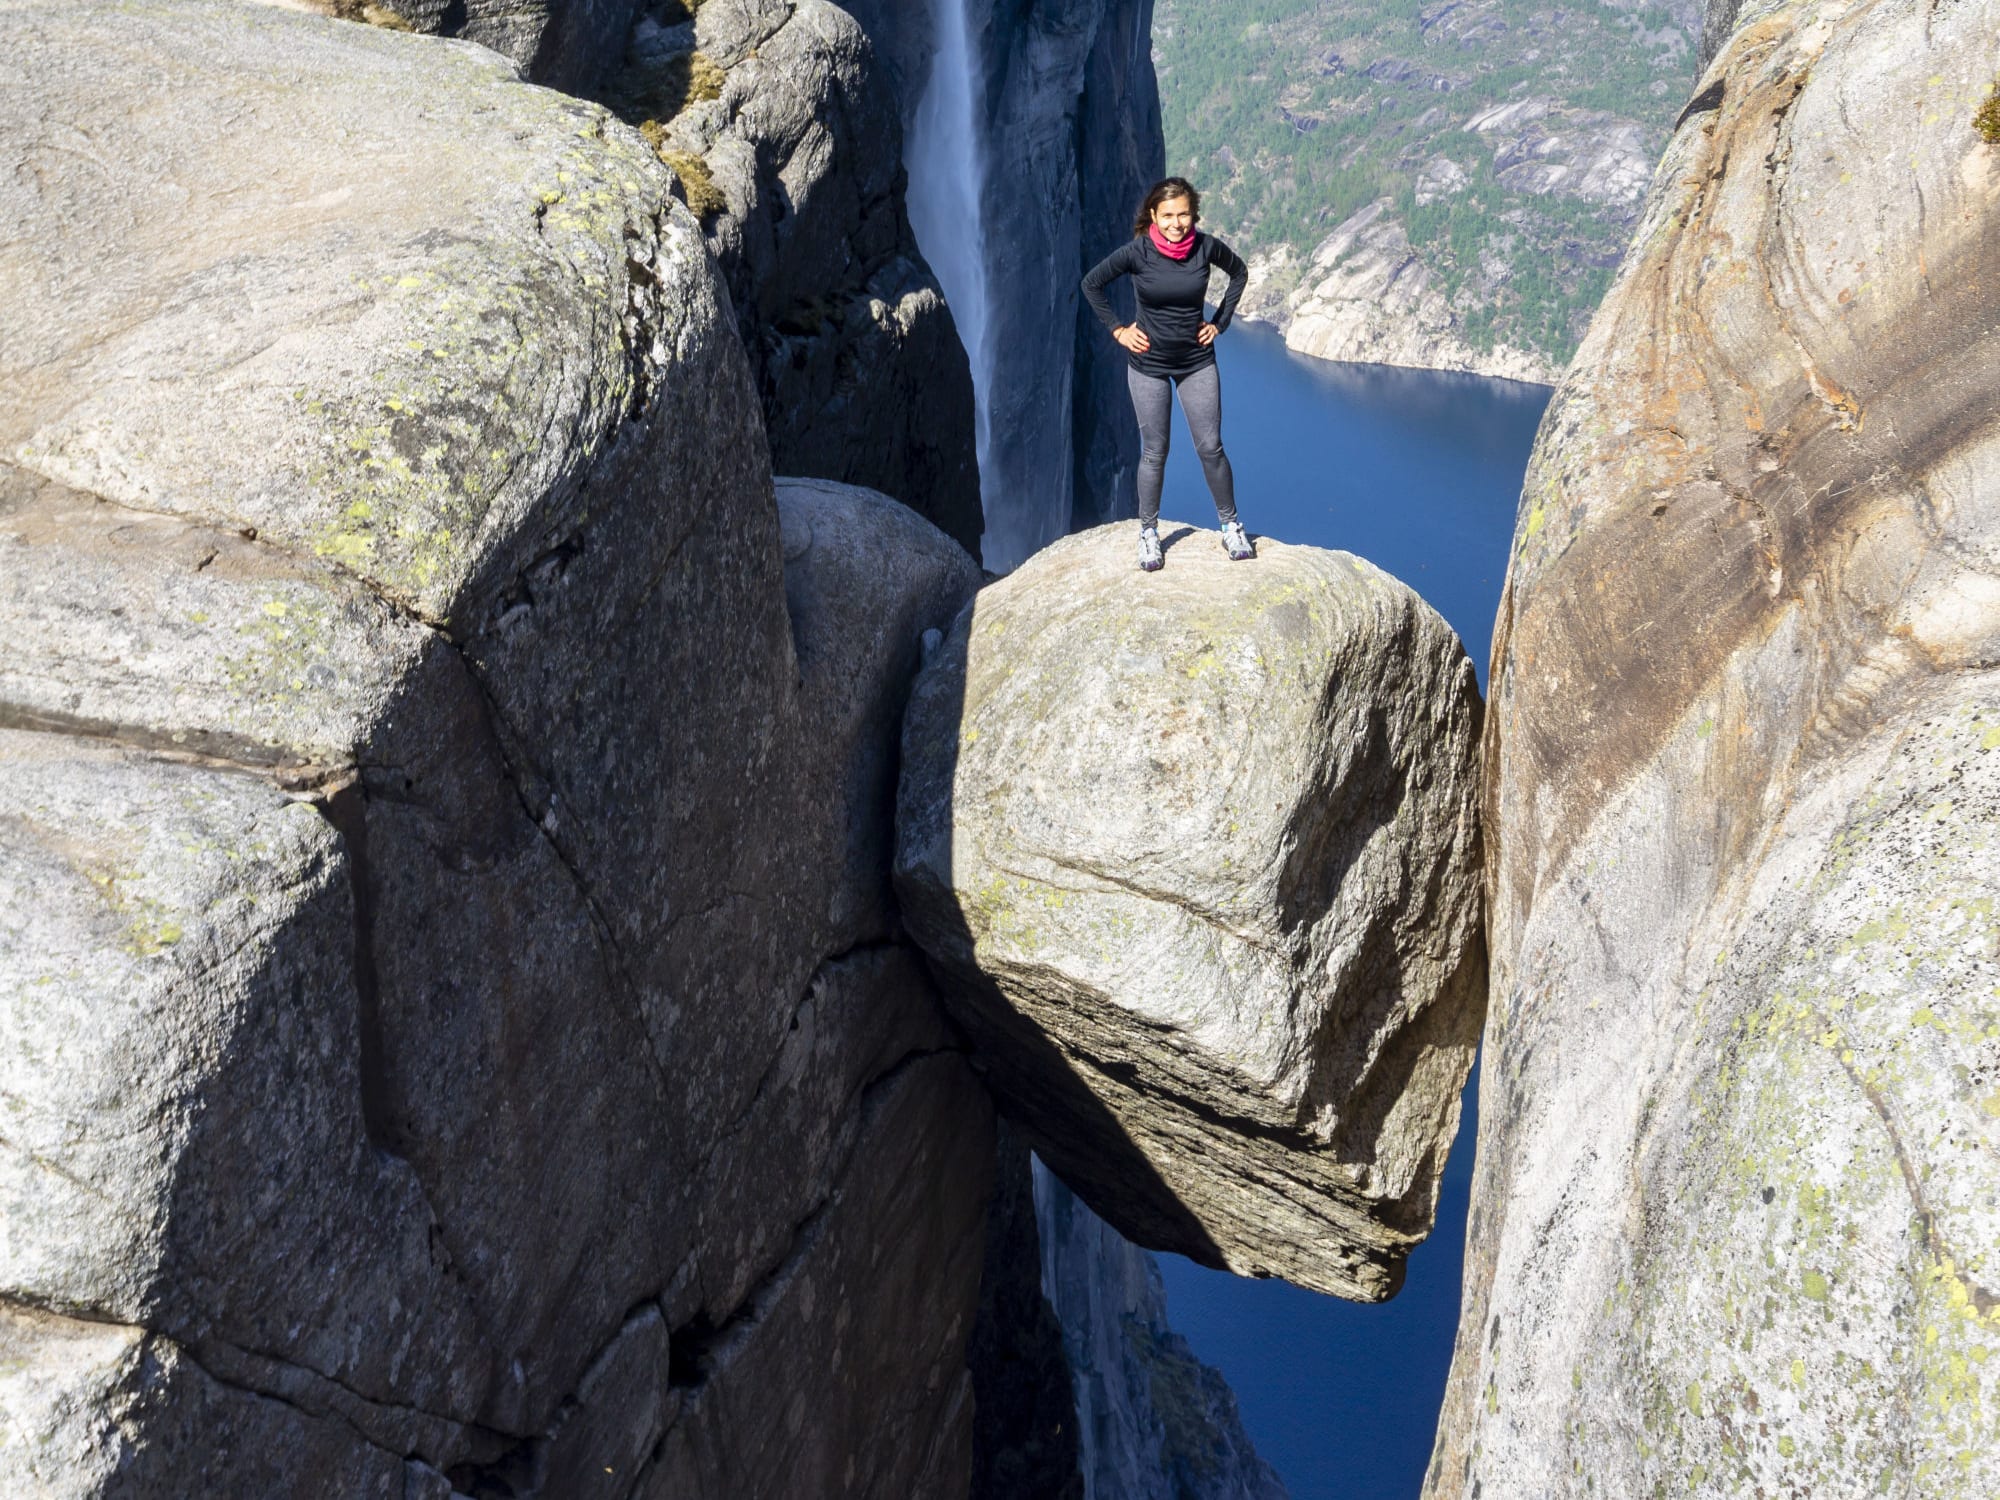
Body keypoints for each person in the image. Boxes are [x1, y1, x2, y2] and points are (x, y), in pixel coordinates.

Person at [1082, 176, 1252, 571]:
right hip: (1149, 364)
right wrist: (1119, 330)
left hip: (1196, 360)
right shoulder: (1137, 252)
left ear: (1194, 215)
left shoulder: (1205, 247)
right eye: (1169, 216)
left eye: (1184, 215)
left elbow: (1239, 273)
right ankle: (1148, 534)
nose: (1177, 224)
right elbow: (1092, 284)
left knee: (1211, 448)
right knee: (1155, 453)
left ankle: (1230, 525)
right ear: (1154, 216)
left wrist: (1220, 323)